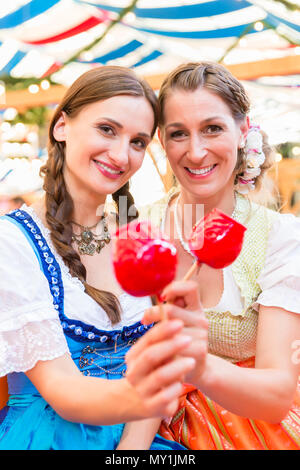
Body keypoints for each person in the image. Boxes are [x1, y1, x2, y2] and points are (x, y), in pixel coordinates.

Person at [0, 66, 207, 450]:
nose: (120, 154)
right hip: (50, 436)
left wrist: (132, 449)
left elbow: (161, 364)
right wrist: (158, 388)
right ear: (62, 126)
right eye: (107, 129)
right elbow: (65, 391)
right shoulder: (11, 242)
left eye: (138, 142)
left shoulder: (139, 236)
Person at [141, 62, 300, 450]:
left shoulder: (279, 237)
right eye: (179, 134)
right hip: (147, 428)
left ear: (244, 130)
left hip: (252, 431)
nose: (196, 152)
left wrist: (195, 369)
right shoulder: (138, 229)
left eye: (213, 128)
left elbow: (276, 393)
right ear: (162, 141)